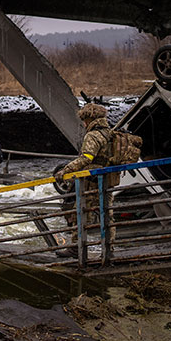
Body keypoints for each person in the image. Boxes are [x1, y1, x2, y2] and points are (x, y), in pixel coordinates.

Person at [57, 103, 120, 246]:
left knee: (80, 214)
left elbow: (86, 158)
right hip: (108, 179)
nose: (84, 124)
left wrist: (66, 170)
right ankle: (109, 247)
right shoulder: (110, 133)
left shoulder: (93, 135)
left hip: (92, 182)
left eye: (84, 121)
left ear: (89, 119)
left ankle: (76, 247)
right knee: (107, 214)